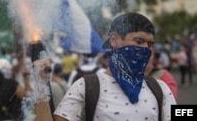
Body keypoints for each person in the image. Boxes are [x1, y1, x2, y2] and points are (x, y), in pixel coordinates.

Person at [35, 12, 177, 121]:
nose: (146, 49)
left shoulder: (160, 88)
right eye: (139, 41)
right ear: (114, 40)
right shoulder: (86, 87)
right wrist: (41, 86)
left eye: (150, 44)